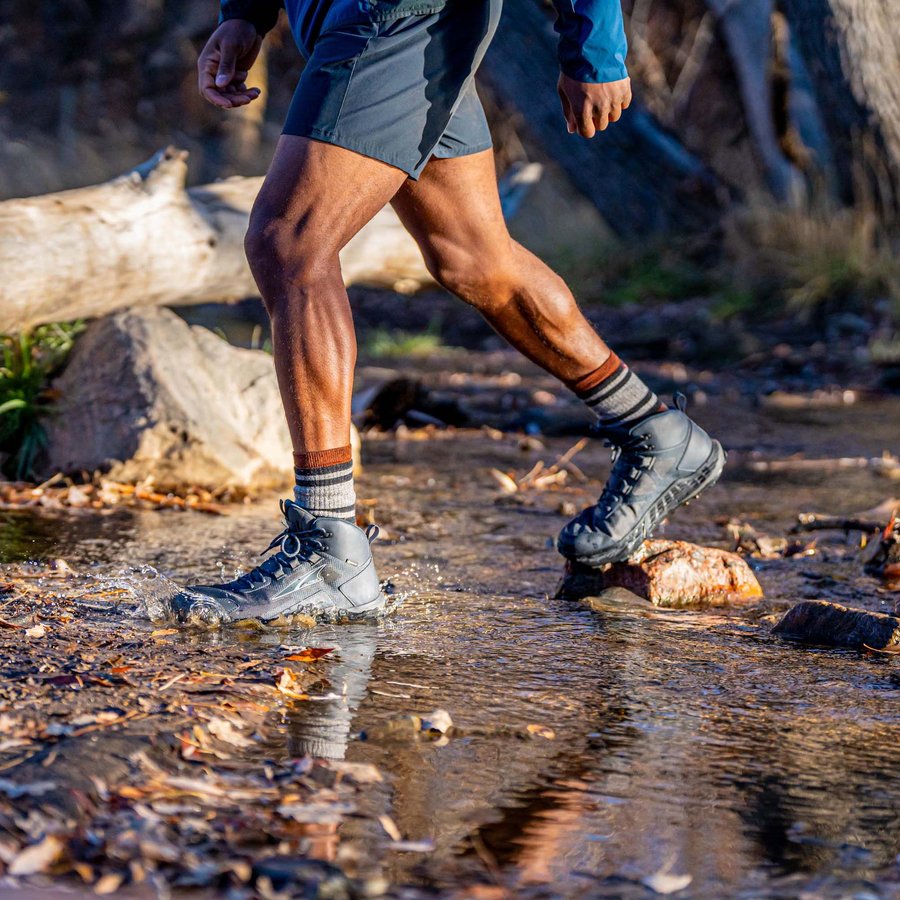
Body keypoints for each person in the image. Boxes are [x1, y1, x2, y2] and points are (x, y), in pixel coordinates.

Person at [173, 0, 724, 625]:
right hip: (362, 20)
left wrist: (595, 44)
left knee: (289, 242)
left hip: (400, 15)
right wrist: (246, 14)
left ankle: (329, 547)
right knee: (474, 258)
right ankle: (656, 433)